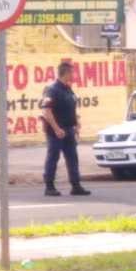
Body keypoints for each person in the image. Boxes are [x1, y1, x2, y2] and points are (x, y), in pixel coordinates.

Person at [41, 61, 91, 197]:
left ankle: (76, 186)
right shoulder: (52, 89)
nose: (74, 75)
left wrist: (77, 123)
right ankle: (49, 186)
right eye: (72, 72)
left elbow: (72, 107)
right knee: (53, 157)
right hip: (56, 132)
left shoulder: (68, 89)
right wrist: (56, 129)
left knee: (72, 158)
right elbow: (46, 111)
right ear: (66, 73)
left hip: (69, 130)